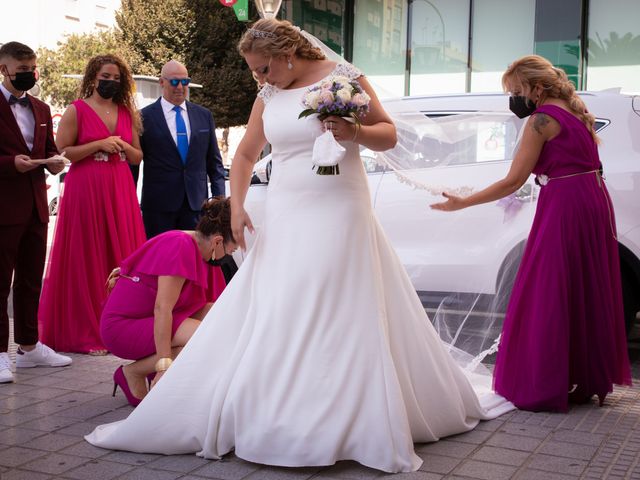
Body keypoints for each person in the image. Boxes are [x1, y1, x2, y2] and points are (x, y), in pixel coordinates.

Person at [85, 19, 513, 473]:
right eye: (254, 71)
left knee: (337, 303)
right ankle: (280, 410)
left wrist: (355, 133)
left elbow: (388, 133)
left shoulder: (344, 78)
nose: (260, 79)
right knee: (284, 305)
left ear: (288, 53)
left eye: (264, 68)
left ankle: (347, 416)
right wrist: (237, 208)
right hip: (288, 211)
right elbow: (246, 153)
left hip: (340, 205)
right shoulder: (269, 94)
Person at [431, 55, 632, 412]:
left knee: (549, 289)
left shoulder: (541, 120)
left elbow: (513, 180)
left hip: (565, 206)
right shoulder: (575, 112)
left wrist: (464, 202)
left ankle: (546, 382)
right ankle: (581, 378)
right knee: (581, 286)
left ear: (536, 89)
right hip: (591, 201)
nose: (514, 99)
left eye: (516, 91)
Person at [38, 54, 147, 355]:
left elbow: (138, 156)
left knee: (122, 255)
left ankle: (120, 328)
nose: (110, 82)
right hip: (86, 187)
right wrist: (98, 144)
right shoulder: (77, 110)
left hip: (119, 187)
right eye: (105, 76)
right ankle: (87, 332)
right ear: (93, 77)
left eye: (116, 78)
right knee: (88, 255)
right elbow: (62, 153)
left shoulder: (127, 112)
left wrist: (123, 146)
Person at [104, 197, 232, 406]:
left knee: (220, 317)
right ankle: (134, 372)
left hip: (143, 317)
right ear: (217, 241)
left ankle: (148, 369)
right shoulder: (181, 246)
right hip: (122, 327)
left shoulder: (189, 242)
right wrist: (164, 366)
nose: (230, 256)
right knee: (204, 336)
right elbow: (162, 308)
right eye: (231, 250)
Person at [0, 42, 72, 383]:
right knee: (1, 283)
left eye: (32, 68)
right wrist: (9, 163)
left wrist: (55, 161)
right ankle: (1, 353)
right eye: (22, 70)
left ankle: (29, 347)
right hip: (3, 206)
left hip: (36, 207)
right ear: (4, 70)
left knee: (30, 281)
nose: (29, 74)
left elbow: (49, 151)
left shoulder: (42, 109)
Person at [139, 60, 225, 240]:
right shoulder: (143, 117)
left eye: (185, 82)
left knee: (192, 261)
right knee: (160, 262)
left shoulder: (203, 116)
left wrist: (219, 201)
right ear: (161, 82)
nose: (180, 87)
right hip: (158, 209)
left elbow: (214, 164)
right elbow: (134, 163)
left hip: (196, 207)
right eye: (174, 82)